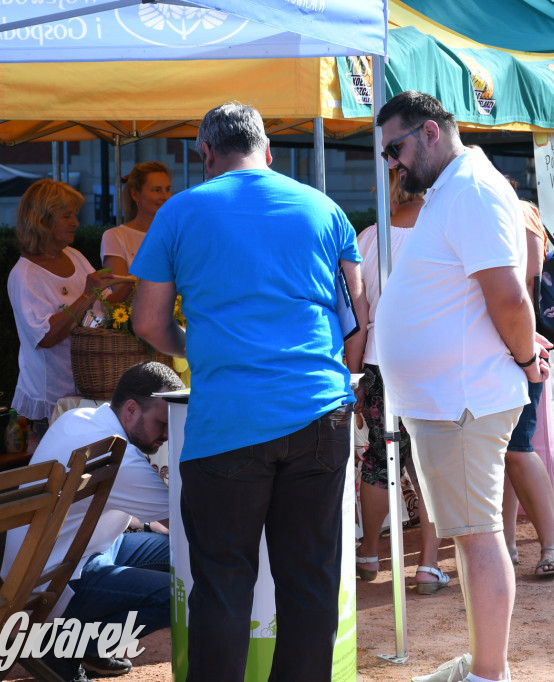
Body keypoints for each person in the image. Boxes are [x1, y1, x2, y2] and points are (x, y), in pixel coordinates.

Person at [130, 102, 367, 682]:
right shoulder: (325, 208)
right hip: (319, 413)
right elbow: (358, 310)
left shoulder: (180, 212)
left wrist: (203, 346)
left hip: (227, 424)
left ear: (205, 153)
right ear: (269, 150)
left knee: (221, 587)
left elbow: (148, 323)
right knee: (310, 580)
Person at [374, 91, 549, 682]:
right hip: (452, 399)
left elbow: (508, 294)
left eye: (394, 149)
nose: (391, 164)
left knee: (477, 539)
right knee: (473, 537)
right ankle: (483, 667)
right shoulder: (455, 186)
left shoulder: (470, 187)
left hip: (463, 399)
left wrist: (526, 360)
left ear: (429, 132)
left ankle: (487, 674)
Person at [2, 361, 182, 682]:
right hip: (56, 580)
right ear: (131, 409)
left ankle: (89, 646)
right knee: (182, 593)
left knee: (177, 553)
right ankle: (62, 644)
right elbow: (186, 520)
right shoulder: (121, 453)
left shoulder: (78, 416)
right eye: (161, 423)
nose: (167, 435)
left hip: (55, 559)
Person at [354, 167, 447, 594]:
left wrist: (354, 378)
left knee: (378, 459)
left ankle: (369, 553)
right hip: (434, 366)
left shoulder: (369, 238)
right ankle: (428, 566)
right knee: (429, 467)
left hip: (376, 364)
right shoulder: (444, 233)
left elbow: (358, 319)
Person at [7, 179, 129, 432]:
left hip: (89, 390)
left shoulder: (74, 255)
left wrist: (133, 284)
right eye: (67, 216)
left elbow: (106, 308)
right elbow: (46, 336)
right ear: (42, 220)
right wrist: (86, 294)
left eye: (75, 215)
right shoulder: (25, 274)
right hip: (53, 399)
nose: (76, 223)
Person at [502, 199, 554, 577]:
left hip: (521, 347)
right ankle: (510, 543)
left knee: (519, 448)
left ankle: (551, 544)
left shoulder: (520, 213)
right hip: (503, 350)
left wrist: (524, 355)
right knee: (506, 450)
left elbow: (526, 284)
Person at [101, 162, 172, 304]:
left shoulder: (176, 234)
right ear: (135, 194)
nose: (165, 196)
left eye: (168, 189)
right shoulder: (115, 236)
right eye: (157, 190)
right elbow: (120, 294)